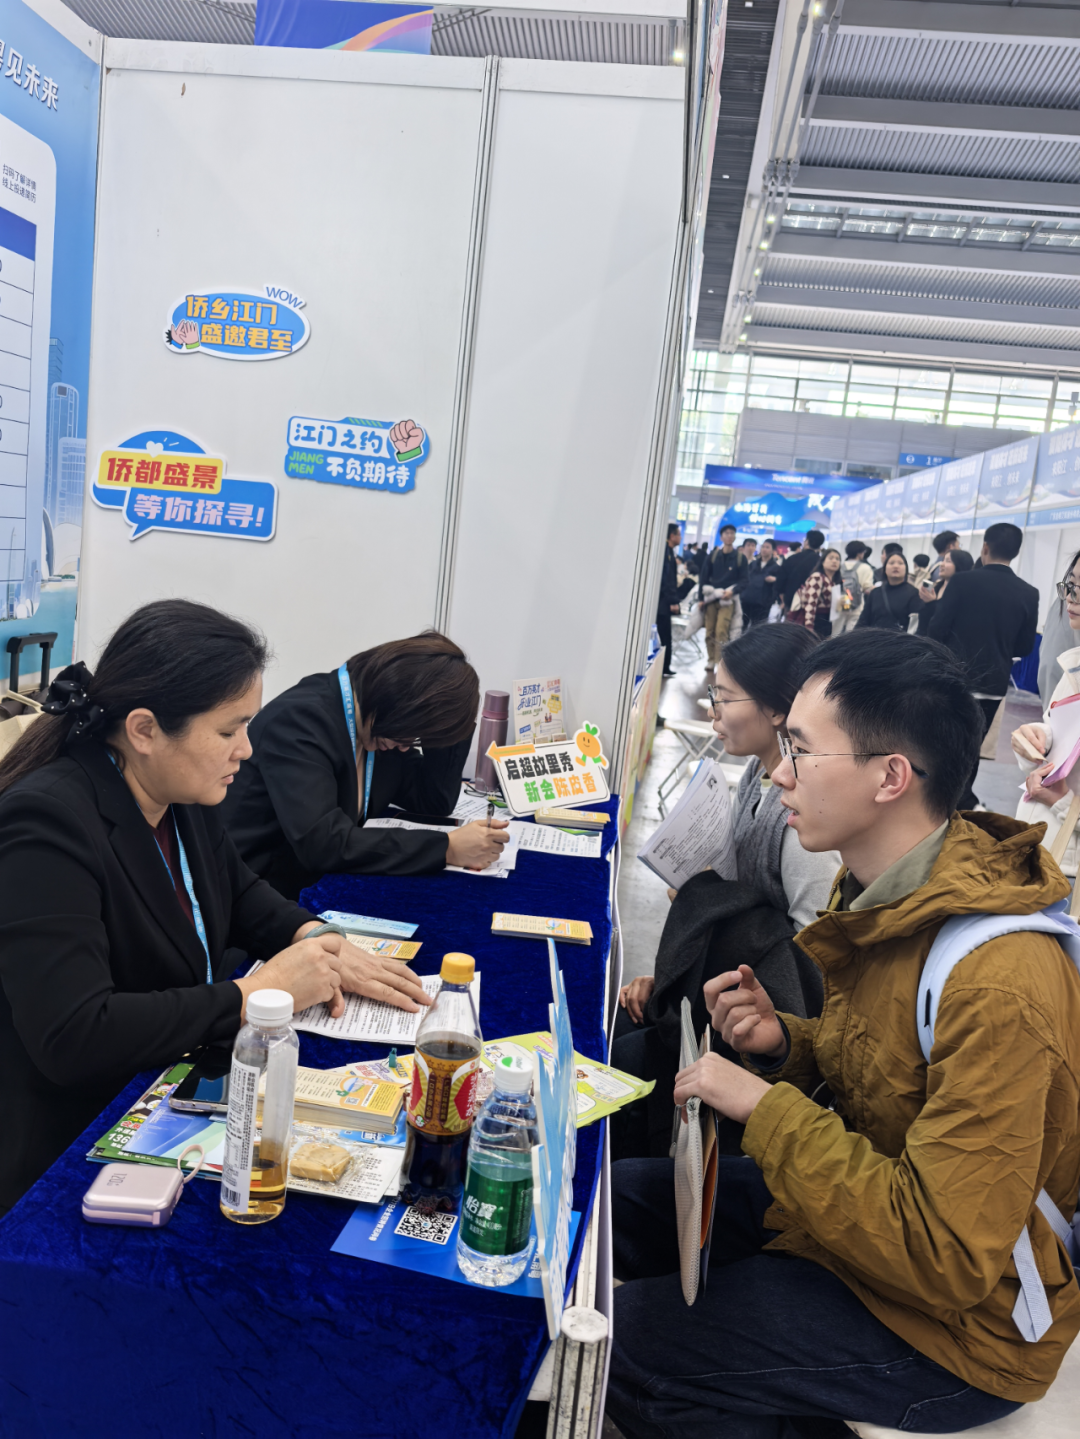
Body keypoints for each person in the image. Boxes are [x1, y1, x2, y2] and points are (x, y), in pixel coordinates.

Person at [608, 628, 1080, 1438]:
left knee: (630, 1347)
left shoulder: (998, 983)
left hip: (957, 1331)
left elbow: (944, 1254)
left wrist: (767, 1107)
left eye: (801, 749)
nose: (780, 773)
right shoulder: (883, 890)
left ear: (890, 776)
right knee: (613, 1204)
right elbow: (887, 1075)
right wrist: (785, 1044)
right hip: (859, 1231)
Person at [0, 600, 434, 1216]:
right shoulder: (47, 824)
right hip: (68, 1139)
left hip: (163, 1079)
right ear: (145, 730)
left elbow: (238, 890)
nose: (247, 750)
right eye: (230, 731)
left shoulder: (176, 792)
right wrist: (255, 994)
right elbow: (75, 1034)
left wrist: (319, 938)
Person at [614, 623, 839, 1159]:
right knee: (622, 1034)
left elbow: (811, 965)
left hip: (755, 1039)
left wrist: (704, 903)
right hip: (722, 1002)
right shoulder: (756, 779)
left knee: (624, 1063)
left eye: (724, 697)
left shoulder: (803, 828)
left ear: (778, 709)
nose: (713, 710)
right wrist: (677, 972)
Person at [222, 632, 509, 902]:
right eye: (411, 733)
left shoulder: (381, 724)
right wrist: (446, 848)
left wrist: (452, 725)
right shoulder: (300, 721)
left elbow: (432, 801)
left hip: (319, 880)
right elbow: (323, 844)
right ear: (398, 701)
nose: (406, 747)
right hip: (259, 892)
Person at [928, 522, 1039, 811]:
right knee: (972, 745)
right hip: (993, 684)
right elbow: (1025, 647)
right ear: (1016, 552)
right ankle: (962, 801)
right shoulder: (1029, 592)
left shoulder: (962, 582)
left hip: (953, 677)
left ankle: (938, 801)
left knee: (941, 741)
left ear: (985, 547)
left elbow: (937, 630)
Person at [1013, 549, 1080, 878]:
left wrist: (1063, 802)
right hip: (1042, 845)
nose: (1071, 598)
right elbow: (1063, 732)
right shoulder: (1074, 666)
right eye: (1072, 585)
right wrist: (1037, 739)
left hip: (1069, 866)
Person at [697, 523, 741, 671]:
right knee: (709, 630)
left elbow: (745, 580)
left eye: (732, 533)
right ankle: (710, 659)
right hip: (711, 599)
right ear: (721, 537)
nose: (729, 536)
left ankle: (720, 662)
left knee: (722, 631)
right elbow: (703, 577)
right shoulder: (713, 555)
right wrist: (701, 599)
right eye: (726, 533)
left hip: (727, 600)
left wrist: (732, 592)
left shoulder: (739, 558)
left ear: (734, 536)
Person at [857, 552, 923, 631]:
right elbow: (863, 620)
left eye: (900, 563)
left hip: (900, 637)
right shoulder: (875, 593)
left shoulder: (914, 593)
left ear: (906, 569)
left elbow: (915, 625)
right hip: (875, 637)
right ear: (884, 568)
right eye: (891, 563)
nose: (896, 566)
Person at [916, 547, 973, 633]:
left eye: (948, 561)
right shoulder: (936, 587)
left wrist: (931, 603)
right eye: (943, 560)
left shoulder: (965, 594)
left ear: (960, 565)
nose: (941, 564)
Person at [793, 547, 841, 638]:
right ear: (822, 561)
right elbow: (811, 602)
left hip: (827, 621)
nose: (834, 561)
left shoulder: (833, 581)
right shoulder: (817, 577)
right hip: (816, 620)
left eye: (837, 559)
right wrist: (809, 626)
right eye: (831, 558)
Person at [657, 522, 685, 676]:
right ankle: (662, 667)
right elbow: (667, 581)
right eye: (679, 534)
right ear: (672, 536)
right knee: (664, 636)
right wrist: (673, 601)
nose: (680, 537)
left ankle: (664, 666)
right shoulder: (665, 553)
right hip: (663, 603)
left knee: (665, 635)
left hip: (663, 601)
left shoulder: (669, 552)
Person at [738, 537, 782, 628]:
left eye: (767, 547)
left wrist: (775, 579)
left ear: (773, 550)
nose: (764, 549)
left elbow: (780, 584)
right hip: (747, 600)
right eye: (763, 547)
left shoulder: (776, 568)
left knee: (757, 628)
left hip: (763, 603)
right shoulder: (753, 564)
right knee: (742, 626)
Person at [778, 528, 823, 614]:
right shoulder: (821, 562)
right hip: (813, 604)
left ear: (807, 542)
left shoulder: (792, 558)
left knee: (789, 622)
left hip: (791, 602)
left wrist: (784, 600)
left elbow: (780, 581)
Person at [833, 539, 874, 635]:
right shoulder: (865, 568)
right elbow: (867, 588)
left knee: (835, 631)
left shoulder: (839, 566)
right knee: (851, 633)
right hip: (857, 604)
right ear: (860, 553)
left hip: (839, 602)